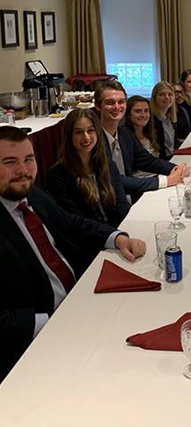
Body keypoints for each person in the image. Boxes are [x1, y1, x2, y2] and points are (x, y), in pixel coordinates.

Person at [0, 126, 146, 382]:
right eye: (9, 162)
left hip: (81, 301)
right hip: (36, 346)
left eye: (29, 159)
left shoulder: (31, 193)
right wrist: (49, 323)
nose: (23, 170)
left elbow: (71, 223)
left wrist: (117, 237)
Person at [94, 80, 185, 202]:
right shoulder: (94, 139)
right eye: (110, 103)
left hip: (126, 198)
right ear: (98, 106)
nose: (117, 107)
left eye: (121, 102)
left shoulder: (123, 134)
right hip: (106, 204)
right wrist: (166, 180)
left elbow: (148, 161)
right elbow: (114, 181)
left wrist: (177, 169)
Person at [46, 108, 130, 227]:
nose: (86, 137)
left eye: (90, 130)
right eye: (78, 132)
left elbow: (121, 203)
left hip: (116, 232)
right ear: (69, 136)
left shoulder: (108, 164)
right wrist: (114, 237)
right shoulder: (57, 175)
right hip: (89, 239)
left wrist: (127, 227)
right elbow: (75, 222)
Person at [149, 82, 178, 159]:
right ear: (154, 98)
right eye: (161, 94)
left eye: (170, 94)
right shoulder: (151, 120)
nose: (167, 97)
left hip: (172, 157)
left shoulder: (169, 118)